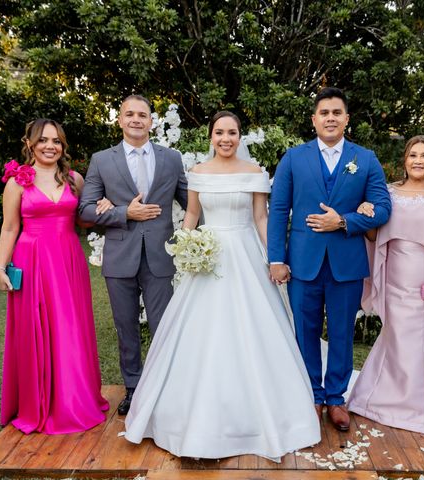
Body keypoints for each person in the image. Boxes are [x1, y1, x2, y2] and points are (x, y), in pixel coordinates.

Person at [124, 111, 320, 461]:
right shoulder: (198, 173)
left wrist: (275, 258)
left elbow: (262, 218)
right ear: (210, 137)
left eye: (232, 132)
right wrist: (185, 247)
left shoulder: (254, 173)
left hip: (246, 254)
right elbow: (193, 215)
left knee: (256, 327)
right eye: (219, 132)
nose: (225, 138)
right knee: (201, 332)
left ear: (240, 136)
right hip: (208, 258)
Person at [267, 87, 391, 431]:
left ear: (347, 119)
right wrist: (276, 257)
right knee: (304, 331)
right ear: (314, 119)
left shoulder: (365, 159)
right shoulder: (293, 157)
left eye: (337, 112)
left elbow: (383, 207)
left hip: (346, 262)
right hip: (303, 262)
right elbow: (278, 209)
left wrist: (346, 221)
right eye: (325, 113)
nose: (331, 118)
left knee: (341, 333)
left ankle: (336, 398)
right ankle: (311, 394)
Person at [347, 135, 424, 439]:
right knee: (395, 339)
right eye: (413, 155)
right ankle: (380, 403)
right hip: (393, 277)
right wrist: (365, 216)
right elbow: (374, 238)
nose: (418, 160)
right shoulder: (388, 193)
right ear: (405, 160)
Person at [0, 119, 109, 434]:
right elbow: (9, 227)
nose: (50, 146)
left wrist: (102, 207)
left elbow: (84, 221)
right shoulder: (17, 182)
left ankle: (74, 398)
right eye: (43, 140)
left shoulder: (75, 179)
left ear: (63, 146)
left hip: (68, 259)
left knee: (71, 327)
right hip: (32, 261)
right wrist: (0, 266)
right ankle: (40, 401)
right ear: (30, 144)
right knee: (37, 329)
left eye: (56, 141)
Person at [79, 95, 188, 416]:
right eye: (130, 114)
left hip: (159, 256)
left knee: (163, 326)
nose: (136, 119)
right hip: (120, 256)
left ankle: (166, 387)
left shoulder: (171, 158)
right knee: (126, 327)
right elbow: (85, 209)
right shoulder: (102, 160)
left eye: (142, 115)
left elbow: (189, 202)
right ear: (120, 120)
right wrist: (126, 212)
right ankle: (134, 388)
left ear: (152, 121)